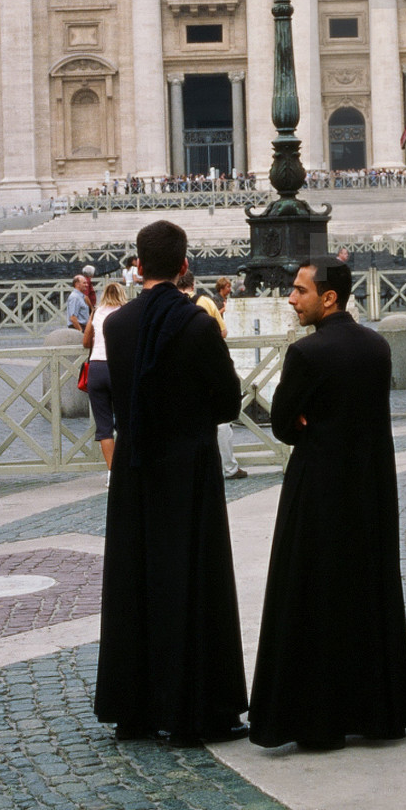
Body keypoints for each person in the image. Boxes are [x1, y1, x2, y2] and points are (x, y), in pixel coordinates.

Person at [250, 258, 406, 749]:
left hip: (319, 485)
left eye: (299, 291)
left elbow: (282, 422)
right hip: (369, 485)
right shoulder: (377, 346)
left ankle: (316, 717)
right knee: (367, 590)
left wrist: (305, 419)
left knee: (313, 592)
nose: (290, 298)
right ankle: (375, 712)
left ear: (329, 297)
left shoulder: (306, 353)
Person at [94, 219, 248, 745]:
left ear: (138, 266)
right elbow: (228, 402)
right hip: (188, 466)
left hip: (136, 467)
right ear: (185, 265)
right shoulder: (199, 324)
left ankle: (135, 707)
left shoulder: (115, 326)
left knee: (137, 577)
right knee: (192, 580)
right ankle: (197, 705)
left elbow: (117, 398)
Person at [178, 271, 247, 482]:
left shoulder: (172, 304)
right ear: (194, 283)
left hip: (181, 366)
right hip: (208, 363)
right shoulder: (206, 302)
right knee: (221, 422)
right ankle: (228, 466)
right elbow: (222, 332)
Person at [82, 281, 126, 476]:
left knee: (104, 426)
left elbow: (85, 341)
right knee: (125, 421)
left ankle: (112, 472)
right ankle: (127, 469)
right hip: (118, 368)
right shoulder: (125, 313)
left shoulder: (96, 312)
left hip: (97, 368)